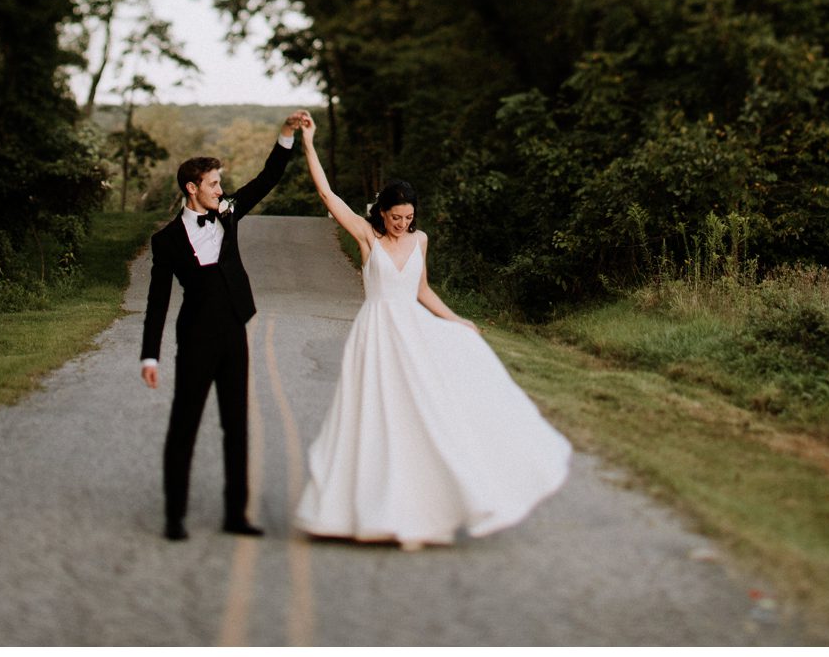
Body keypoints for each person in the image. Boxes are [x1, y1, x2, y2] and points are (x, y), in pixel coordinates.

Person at [290, 113, 570, 549]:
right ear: (382, 214)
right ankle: (363, 509)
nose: (404, 224)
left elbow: (421, 289)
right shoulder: (367, 237)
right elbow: (328, 194)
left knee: (420, 414)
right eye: (397, 217)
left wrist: (455, 319)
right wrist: (309, 143)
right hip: (377, 334)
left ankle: (422, 509)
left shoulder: (420, 241)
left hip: (413, 333)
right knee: (375, 417)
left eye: (409, 216)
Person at [140, 111, 307, 541]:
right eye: (213, 183)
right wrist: (150, 355)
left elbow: (267, 179)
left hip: (234, 332)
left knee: (236, 424)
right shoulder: (166, 241)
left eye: (220, 183)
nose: (221, 189)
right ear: (191, 188)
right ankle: (174, 515)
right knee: (185, 425)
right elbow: (158, 301)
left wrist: (286, 134)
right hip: (195, 338)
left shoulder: (229, 211)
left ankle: (236, 514)